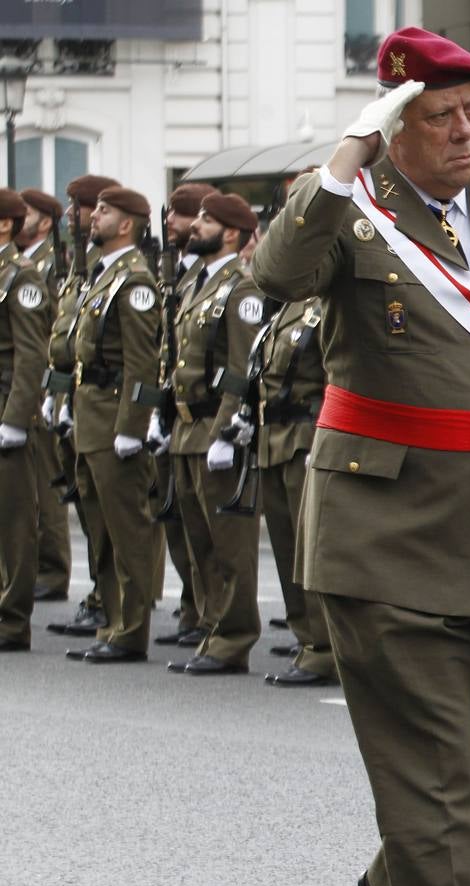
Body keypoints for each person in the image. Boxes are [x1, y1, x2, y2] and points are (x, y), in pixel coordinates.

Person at [251, 26, 470, 886]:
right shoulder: (347, 203)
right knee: (438, 796)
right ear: (396, 128)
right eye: (440, 116)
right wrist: (345, 158)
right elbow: (278, 273)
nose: (465, 132)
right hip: (390, 533)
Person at [156, 192, 265, 675]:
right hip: (186, 429)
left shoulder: (240, 289)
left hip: (214, 431)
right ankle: (211, 626)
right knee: (198, 542)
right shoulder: (196, 285)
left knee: (229, 546)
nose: (194, 226)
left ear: (232, 233)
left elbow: (242, 368)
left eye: (206, 219)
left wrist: (226, 433)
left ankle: (234, 636)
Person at [67, 185, 165, 663]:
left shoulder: (135, 282)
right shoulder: (103, 277)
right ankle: (112, 621)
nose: (93, 216)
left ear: (126, 224)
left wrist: (132, 425)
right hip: (90, 416)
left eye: (104, 211)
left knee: (127, 528)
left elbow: (142, 363)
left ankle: (131, 629)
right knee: (100, 527)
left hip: (113, 418)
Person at [228, 294, 337, 686]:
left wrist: (326, 438)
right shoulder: (286, 308)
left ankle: (326, 650)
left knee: (310, 550)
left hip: (305, 439)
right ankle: (307, 639)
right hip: (273, 439)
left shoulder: (323, 309)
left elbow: (334, 378)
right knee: (287, 547)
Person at [42, 175, 118, 640]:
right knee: (92, 510)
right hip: (79, 401)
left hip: (107, 408)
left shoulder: (119, 272)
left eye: (82, 208)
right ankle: (101, 597)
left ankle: (122, 609)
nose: (73, 217)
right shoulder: (83, 267)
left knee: (120, 518)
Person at [150, 181, 216, 645]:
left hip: (204, 416)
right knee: (177, 521)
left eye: (181, 214)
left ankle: (215, 617)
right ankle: (194, 608)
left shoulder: (214, 279)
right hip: (174, 412)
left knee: (211, 533)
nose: (176, 224)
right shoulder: (177, 275)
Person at [0, 189, 54, 651]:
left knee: (13, 520)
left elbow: (31, 354)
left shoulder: (21, 277)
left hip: (5, 409)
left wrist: (16, 418)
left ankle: (11, 621)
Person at [18, 188, 71, 605]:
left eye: (28, 212)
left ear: (46, 222)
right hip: (34, 386)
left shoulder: (50, 264)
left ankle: (52, 570)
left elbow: (51, 331)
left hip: (42, 385)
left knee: (46, 482)